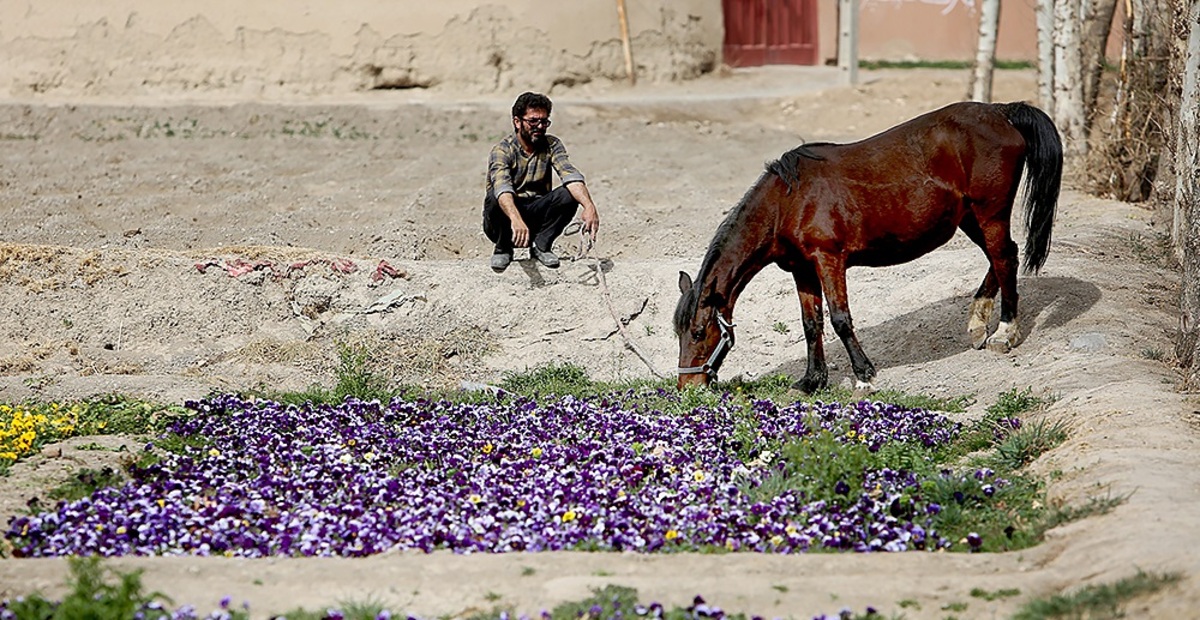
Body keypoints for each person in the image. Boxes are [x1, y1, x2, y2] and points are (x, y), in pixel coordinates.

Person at [482, 92, 601, 272]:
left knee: (568, 194)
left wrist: (589, 206)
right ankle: (503, 248)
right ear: (517, 122)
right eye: (533, 121)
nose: (539, 126)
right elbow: (502, 187)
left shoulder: (552, 145)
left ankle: (542, 245)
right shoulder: (502, 150)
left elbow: (570, 175)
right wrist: (515, 218)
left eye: (544, 122)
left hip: (537, 211)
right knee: (494, 197)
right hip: (507, 217)